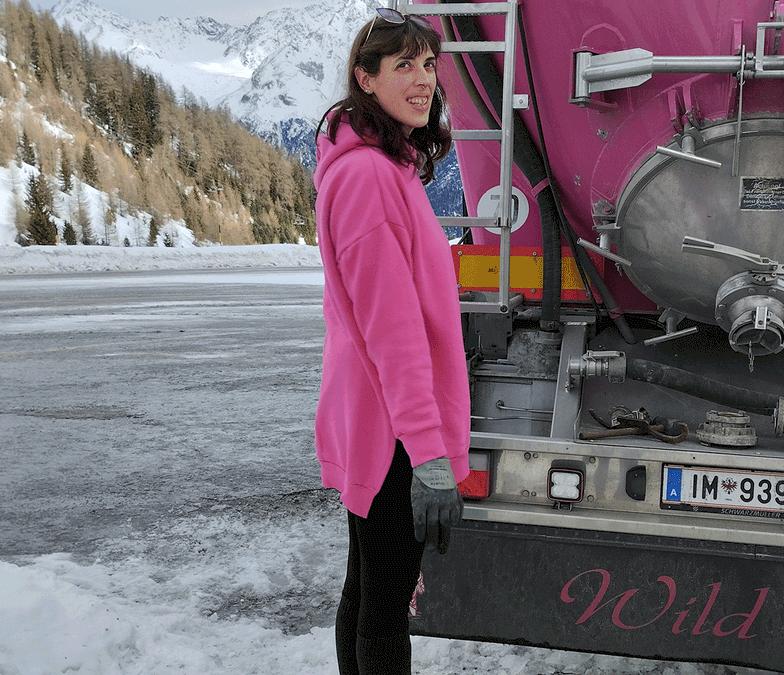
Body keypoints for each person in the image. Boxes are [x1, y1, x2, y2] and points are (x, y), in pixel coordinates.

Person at [312, 8, 470, 675]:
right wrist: (429, 455)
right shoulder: (370, 178)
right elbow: (394, 334)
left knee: (368, 587)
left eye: (429, 64)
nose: (423, 80)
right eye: (403, 65)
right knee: (383, 608)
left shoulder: (382, 165)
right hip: (394, 432)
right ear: (364, 78)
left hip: (376, 419)